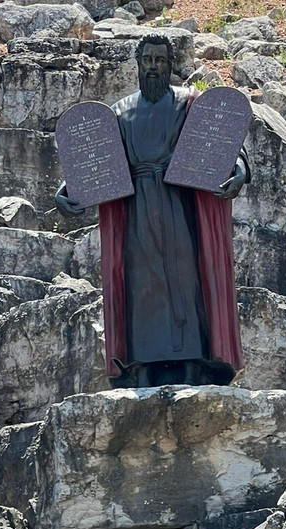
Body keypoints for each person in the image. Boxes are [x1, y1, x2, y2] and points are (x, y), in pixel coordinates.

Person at [55, 34, 249, 388]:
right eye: (147, 60)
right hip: (136, 210)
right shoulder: (120, 111)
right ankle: (141, 365)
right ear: (138, 64)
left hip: (182, 206)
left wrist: (239, 168)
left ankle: (193, 362)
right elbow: (97, 161)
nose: (154, 67)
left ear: (171, 64)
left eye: (160, 60)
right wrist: (68, 190)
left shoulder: (189, 102)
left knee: (187, 278)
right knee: (139, 284)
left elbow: (221, 141)